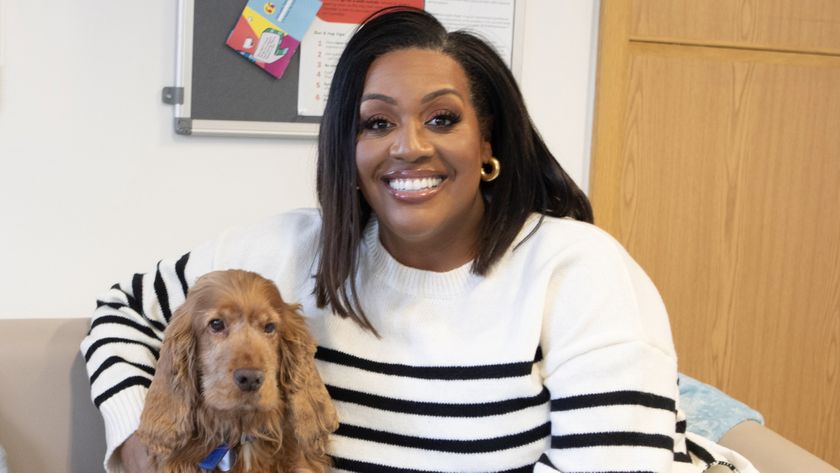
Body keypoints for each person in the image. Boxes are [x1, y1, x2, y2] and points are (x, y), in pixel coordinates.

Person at [81, 7, 758, 473]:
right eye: (377, 124)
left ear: (487, 139)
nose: (409, 147)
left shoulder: (577, 270)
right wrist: (139, 438)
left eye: (442, 118)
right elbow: (122, 308)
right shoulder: (285, 252)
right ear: (347, 146)